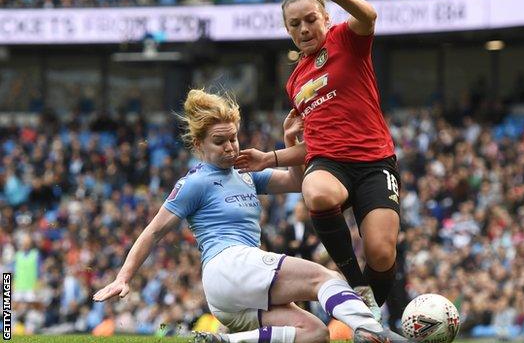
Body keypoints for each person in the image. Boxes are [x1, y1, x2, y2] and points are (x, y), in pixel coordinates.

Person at [92, 89, 402, 343]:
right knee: (327, 278)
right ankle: (374, 331)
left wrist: (289, 140)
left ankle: (223, 341)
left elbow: (297, 182)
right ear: (199, 145)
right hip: (227, 265)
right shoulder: (196, 182)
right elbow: (153, 232)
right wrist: (123, 277)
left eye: (233, 139)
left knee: (314, 333)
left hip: (233, 290)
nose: (229, 147)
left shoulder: (245, 174)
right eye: (219, 142)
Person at [235, 0, 400, 319]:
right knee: (318, 192)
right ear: (288, 31)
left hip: (374, 163)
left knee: (381, 253)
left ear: (326, 18)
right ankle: (355, 285)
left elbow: (368, 16)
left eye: (311, 19)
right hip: (329, 164)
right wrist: (271, 157)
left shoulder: (345, 40)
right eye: (295, 24)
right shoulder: (295, 81)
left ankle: (366, 320)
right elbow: (316, 144)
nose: (304, 29)